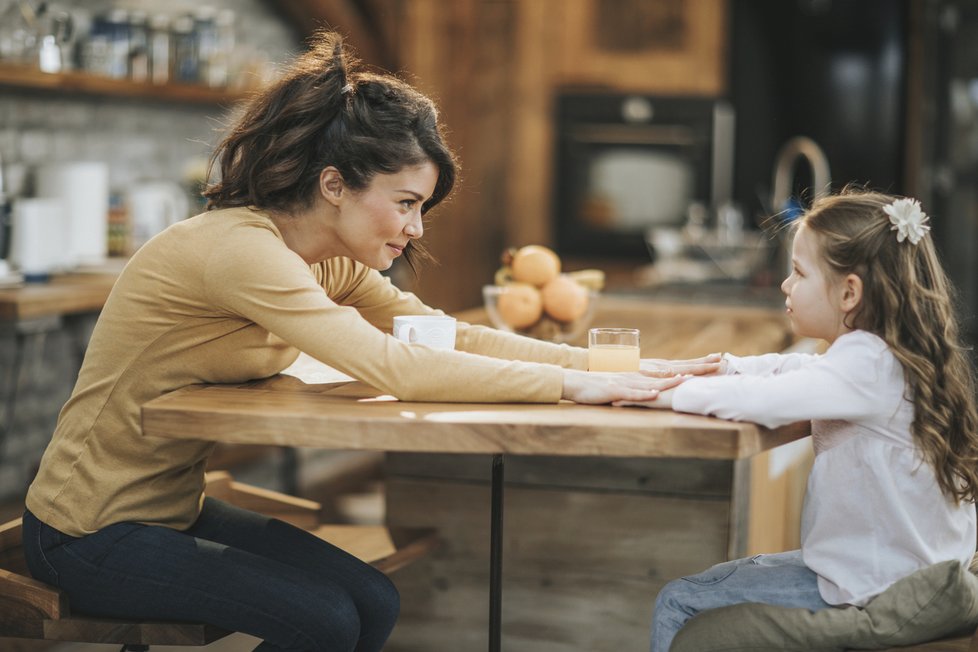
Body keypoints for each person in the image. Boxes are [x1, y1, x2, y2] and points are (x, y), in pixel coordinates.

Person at [20, 31, 716, 652]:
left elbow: (447, 338)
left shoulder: (330, 261)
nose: (417, 229)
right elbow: (394, 365)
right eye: (406, 203)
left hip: (171, 506)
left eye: (422, 207)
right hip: (88, 534)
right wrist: (576, 386)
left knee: (373, 601)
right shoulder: (241, 251)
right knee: (322, 620)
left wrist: (613, 366)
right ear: (334, 185)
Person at [616, 188, 978, 652]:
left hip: (870, 587)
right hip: (902, 571)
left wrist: (649, 393)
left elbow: (767, 400)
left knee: (679, 600)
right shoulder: (885, 355)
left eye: (799, 273)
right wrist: (724, 366)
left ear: (849, 293)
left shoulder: (868, 365)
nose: (786, 285)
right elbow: (797, 370)